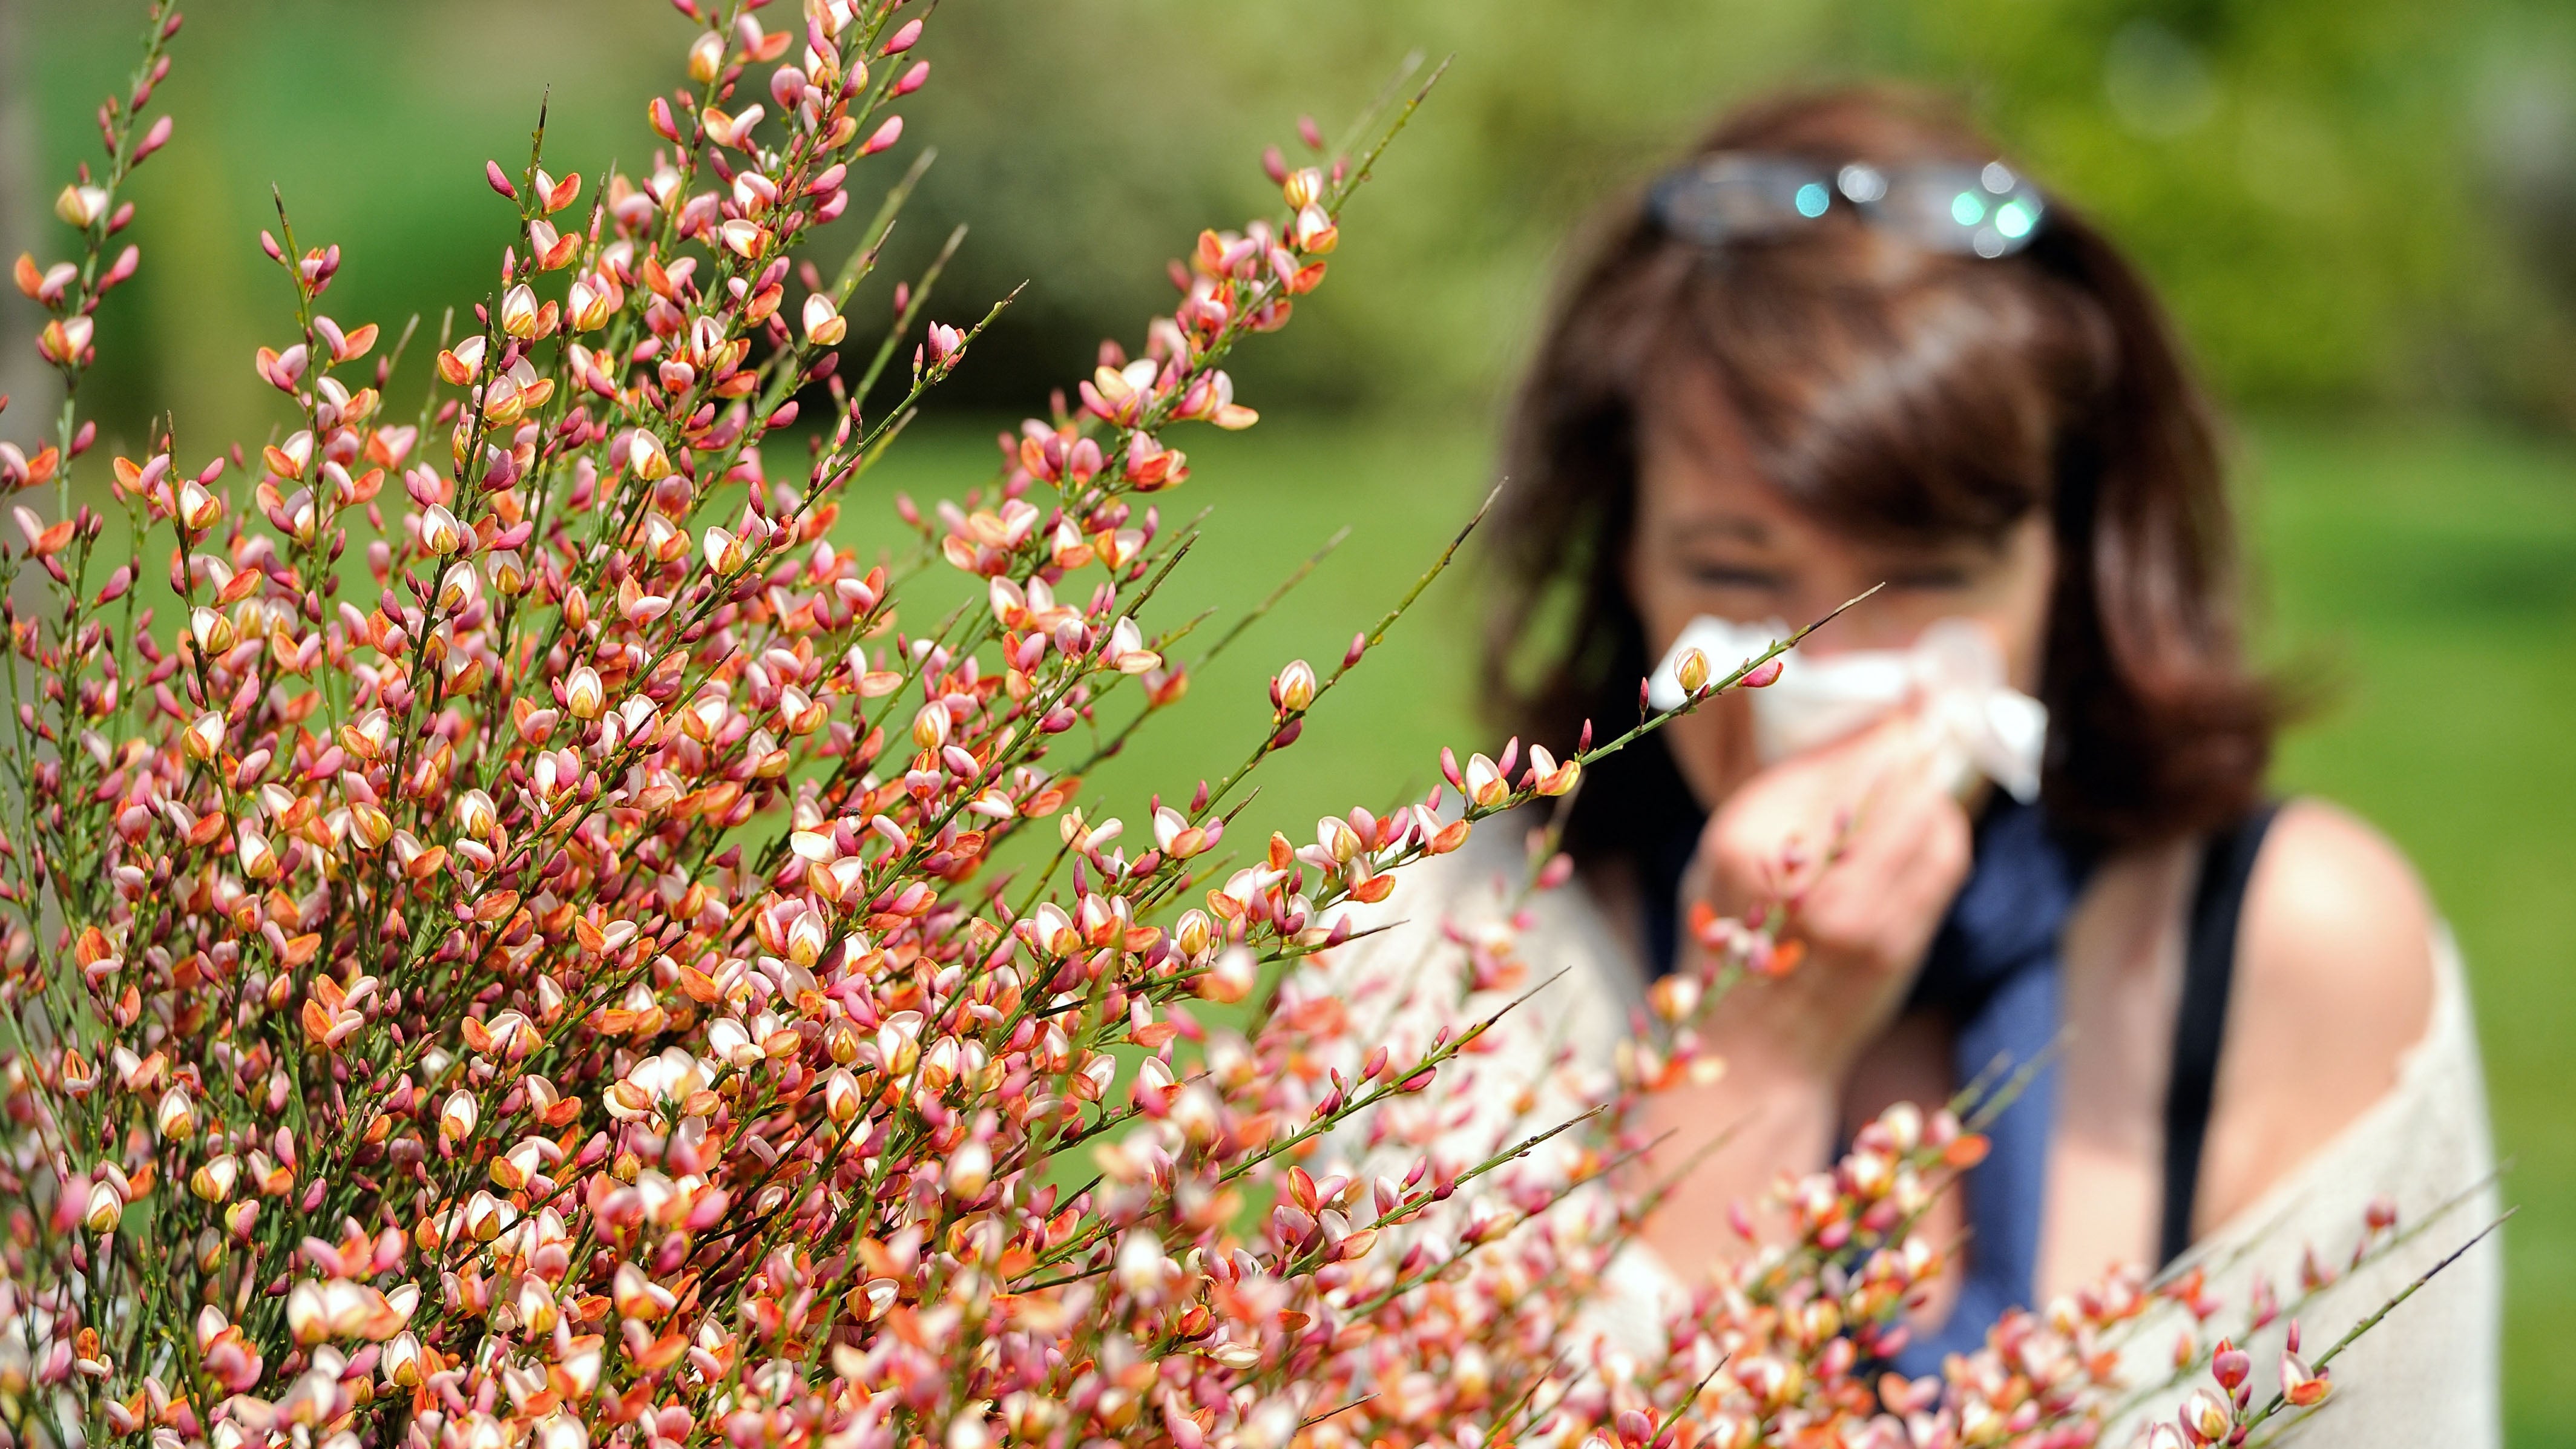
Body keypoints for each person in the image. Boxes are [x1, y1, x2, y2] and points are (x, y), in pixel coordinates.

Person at [1341, 87, 2499, 1439]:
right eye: (1734, 572)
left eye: (1929, 580)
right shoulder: (1455, 947)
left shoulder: (2290, 951)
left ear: (2067, 566)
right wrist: (1752, 1064)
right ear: (1624, 561)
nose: (1826, 669)